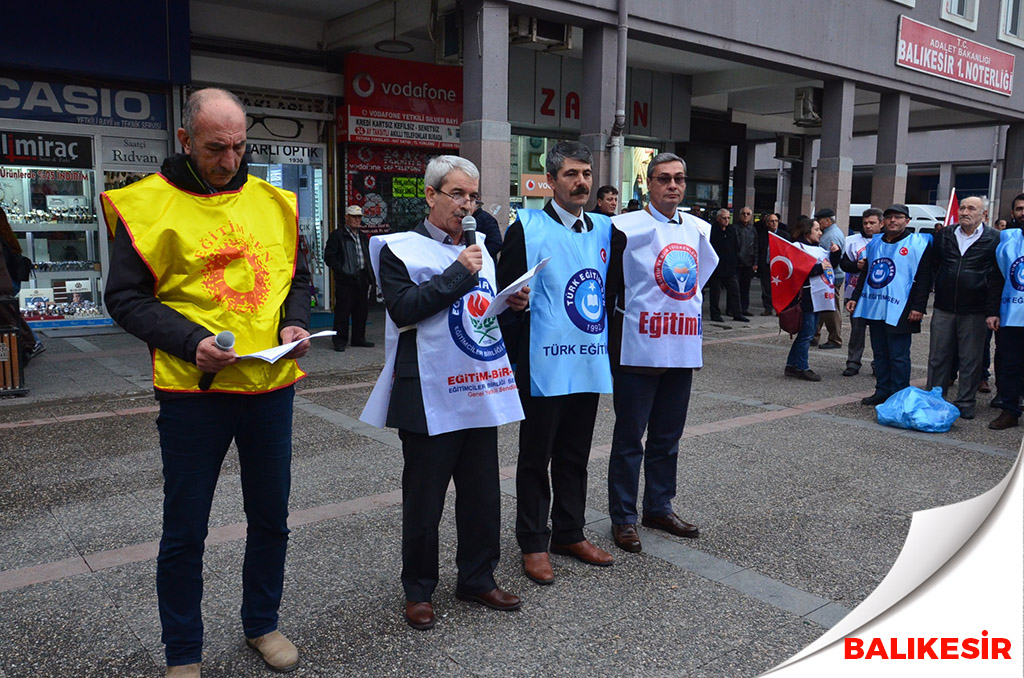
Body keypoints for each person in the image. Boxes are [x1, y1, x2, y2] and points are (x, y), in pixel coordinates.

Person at [102, 88, 310, 676]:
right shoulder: (147, 206)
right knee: (185, 528)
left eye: (240, 146)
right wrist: (190, 341)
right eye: (217, 147)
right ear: (185, 140)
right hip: (194, 392)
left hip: (270, 385)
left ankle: (262, 622)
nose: (230, 159)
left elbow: (296, 277)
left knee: (271, 518)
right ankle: (183, 653)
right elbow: (124, 298)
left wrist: (294, 321)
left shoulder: (274, 201)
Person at [360, 155, 527, 630]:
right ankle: (418, 590)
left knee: (482, 495)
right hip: (427, 393)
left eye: (473, 196)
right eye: (457, 195)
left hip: (478, 387)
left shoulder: (481, 249)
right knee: (425, 500)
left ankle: (478, 578)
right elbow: (404, 309)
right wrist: (457, 272)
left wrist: (512, 305)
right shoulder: (398, 249)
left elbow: (481, 317)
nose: (467, 205)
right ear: (430, 195)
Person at [498, 140, 615, 585]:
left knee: (575, 454)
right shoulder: (526, 228)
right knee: (536, 457)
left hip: (587, 359)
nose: (581, 182)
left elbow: (610, 290)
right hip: (543, 363)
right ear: (550, 180)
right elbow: (504, 301)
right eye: (570, 174)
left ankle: (569, 532)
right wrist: (516, 311)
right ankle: (533, 541)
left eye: (586, 174)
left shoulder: (604, 229)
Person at [604, 153, 717, 553]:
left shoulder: (699, 229)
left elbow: (698, 282)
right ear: (648, 183)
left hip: (681, 347)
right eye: (664, 178)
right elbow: (610, 286)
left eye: (679, 179)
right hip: (638, 347)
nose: (673, 185)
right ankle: (623, 517)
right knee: (629, 437)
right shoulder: (624, 228)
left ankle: (659, 506)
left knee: (668, 436)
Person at [913, 196, 1001, 419]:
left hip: (975, 310)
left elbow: (996, 278)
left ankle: (965, 403)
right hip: (943, 308)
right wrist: (921, 304)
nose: (964, 212)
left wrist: (992, 311)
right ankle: (934, 399)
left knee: (970, 359)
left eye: (971, 208)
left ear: (984, 215)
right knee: (938, 358)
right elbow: (929, 269)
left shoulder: (994, 239)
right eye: (962, 208)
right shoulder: (944, 235)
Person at [847, 204, 931, 406]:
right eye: (889, 217)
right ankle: (882, 390)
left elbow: (925, 277)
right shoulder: (875, 243)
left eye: (898, 217)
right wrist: (855, 298)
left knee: (899, 355)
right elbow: (867, 273)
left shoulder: (917, 243)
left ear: (907, 221)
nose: (893, 220)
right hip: (875, 306)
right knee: (880, 352)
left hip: (902, 308)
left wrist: (918, 307)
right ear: (883, 221)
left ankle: (899, 394)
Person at [784, 216, 841, 382]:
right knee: (807, 334)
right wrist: (818, 268)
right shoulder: (797, 247)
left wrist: (836, 253)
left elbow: (830, 266)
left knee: (806, 333)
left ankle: (792, 365)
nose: (820, 232)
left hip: (819, 297)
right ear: (806, 232)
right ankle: (802, 367)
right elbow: (797, 270)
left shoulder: (819, 248)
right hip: (807, 297)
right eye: (816, 229)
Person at [324, 205, 374, 352]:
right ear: (347, 217)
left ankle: (359, 338)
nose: (357, 220)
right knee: (343, 311)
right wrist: (341, 270)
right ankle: (340, 340)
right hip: (345, 279)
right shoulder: (337, 235)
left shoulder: (363, 236)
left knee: (361, 310)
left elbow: (367, 255)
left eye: (359, 217)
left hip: (362, 277)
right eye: (354, 217)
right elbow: (329, 257)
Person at [839, 208, 883, 377]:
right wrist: (855, 266)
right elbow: (843, 263)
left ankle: (879, 364)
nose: (868, 226)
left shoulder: (887, 241)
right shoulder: (852, 241)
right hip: (856, 292)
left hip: (878, 294)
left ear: (881, 223)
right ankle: (853, 362)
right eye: (865, 223)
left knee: (878, 332)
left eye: (872, 223)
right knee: (857, 330)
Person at [988, 226, 1024, 430]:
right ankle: (1010, 410)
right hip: (1011, 316)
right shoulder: (1007, 242)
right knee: (1010, 364)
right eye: (1019, 210)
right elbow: (996, 278)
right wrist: (993, 311)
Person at [0, 206, 43, 362]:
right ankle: (32, 342)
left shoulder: (2, 240)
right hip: (12, 282)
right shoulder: (7, 236)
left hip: (7, 284)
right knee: (11, 314)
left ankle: (31, 342)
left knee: (10, 315)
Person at [812, 208, 845, 349]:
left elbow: (831, 260)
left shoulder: (830, 236)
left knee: (831, 309)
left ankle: (835, 339)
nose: (817, 222)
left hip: (830, 277)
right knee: (821, 307)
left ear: (827, 221)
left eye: (819, 220)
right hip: (831, 276)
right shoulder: (833, 232)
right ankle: (813, 335)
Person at [708, 208, 746, 322]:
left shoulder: (731, 230)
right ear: (718, 219)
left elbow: (735, 246)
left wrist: (735, 260)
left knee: (735, 291)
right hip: (717, 267)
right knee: (715, 293)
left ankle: (737, 313)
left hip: (730, 266)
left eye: (728, 218)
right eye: (724, 218)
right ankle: (715, 314)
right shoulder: (712, 230)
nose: (726, 220)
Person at [754, 212, 783, 315]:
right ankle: (768, 308)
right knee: (766, 288)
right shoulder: (762, 236)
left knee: (779, 288)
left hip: (779, 266)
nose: (774, 223)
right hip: (766, 265)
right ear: (767, 223)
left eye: (776, 221)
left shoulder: (784, 235)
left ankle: (779, 309)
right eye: (771, 221)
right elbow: (758, 250)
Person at [733, 206, 757, 316]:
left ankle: (744, 308)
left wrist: (755, 262)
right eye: (743, 213)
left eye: (748, 214)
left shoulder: (753, 229)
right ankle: (733, 308)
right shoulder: (734, 228)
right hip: (736, 263)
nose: (746, 216)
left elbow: (756, 246)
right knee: (734, 288)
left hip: (748, 263)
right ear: (739, 215)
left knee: (745, 287)